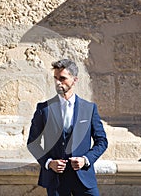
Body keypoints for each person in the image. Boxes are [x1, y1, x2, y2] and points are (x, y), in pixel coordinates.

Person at [27, 59, 108, 196]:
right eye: (56, 78)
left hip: (83, 178)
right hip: (56, 179)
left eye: (63, 78)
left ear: (75, 80)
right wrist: (48, 162)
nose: (58, 82)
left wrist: (85, 159)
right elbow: (32, 143)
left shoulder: (89, 109)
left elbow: (102, 141)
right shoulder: (44, 109)